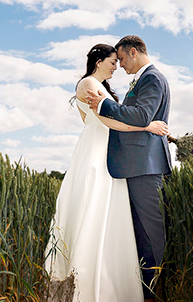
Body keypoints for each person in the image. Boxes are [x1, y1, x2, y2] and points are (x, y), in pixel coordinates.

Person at [45, 43, 169, 302]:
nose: (118, 66)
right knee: (93, 208)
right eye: (113, 61)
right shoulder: (88, 84)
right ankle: (87, 280)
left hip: (111, 153)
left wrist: (142, 125)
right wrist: (147, 128)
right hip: (96, 152)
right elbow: (108, 121)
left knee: (111, 215)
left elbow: (120, 117)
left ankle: (114, 281)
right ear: (99, 61)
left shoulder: (110, 87)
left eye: (120, 60)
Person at [86, 35, 173, 302]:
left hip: (145, 165)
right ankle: (146, 288)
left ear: (133, 52)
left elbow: (141, 116)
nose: (120, 66)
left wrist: (104, 104)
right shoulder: (146, 79)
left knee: (151, 229)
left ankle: (155, 289)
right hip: (136, 164)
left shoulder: (152, 78)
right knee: (140, 230)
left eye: (122, 59)